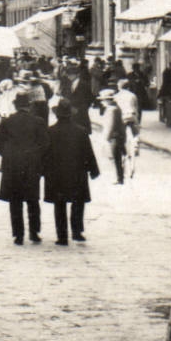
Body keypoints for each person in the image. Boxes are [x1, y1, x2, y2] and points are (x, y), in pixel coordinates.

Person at [0, 90, 49, 245]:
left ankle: (18, 235)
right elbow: (45, 144)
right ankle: (34, 232)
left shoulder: (7, 121)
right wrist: (36, 157)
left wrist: (8, 154)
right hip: (31, 165)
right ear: (29, 106)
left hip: (13, 166)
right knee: (32, 199)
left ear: (15, 106)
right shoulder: (38, 122)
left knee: (15, 200)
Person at [42, 100, 99, 244]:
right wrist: (93, 170)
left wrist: (42, 171)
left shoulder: (50, 131)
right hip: (76, 173)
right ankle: (77, 232)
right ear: (70, 115)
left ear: (57, 116)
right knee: (78, 202)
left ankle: (62, 236)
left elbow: (44, 154)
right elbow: (88, 153)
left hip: (57, 174)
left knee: (59, 204)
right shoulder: (81, 131)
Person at [96, 90, 128, 184]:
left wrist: (106, 138)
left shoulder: (111, 110)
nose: (102, 102)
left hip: (114, 137)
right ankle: (120, 177)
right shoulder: (116, 108)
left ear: (107, 100)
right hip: (119, 136)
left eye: (103, 100)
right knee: (118, 157)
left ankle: (119, 178)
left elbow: (110, 125)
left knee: (115, 158)